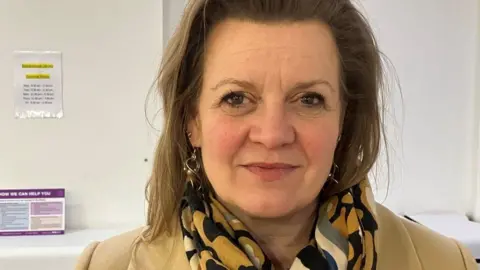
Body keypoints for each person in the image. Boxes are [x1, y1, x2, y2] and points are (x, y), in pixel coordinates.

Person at [76, 0, 477, 269]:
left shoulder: (444, 262)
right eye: (236, 98)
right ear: (191, 119)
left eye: (309, 99)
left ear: (345, 120)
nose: (272, 134)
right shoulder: (107, 265)